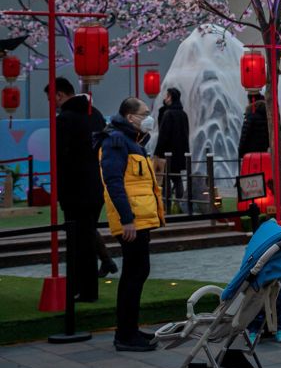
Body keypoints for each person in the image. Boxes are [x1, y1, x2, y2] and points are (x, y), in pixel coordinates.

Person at [98, 97, 165, 352]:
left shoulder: (132, 141)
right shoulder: (116, 142)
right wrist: (127, 219)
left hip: (139, 218)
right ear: (130, 117)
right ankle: (125, 335)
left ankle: (129, 330)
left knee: (138, 272)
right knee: (133, 274)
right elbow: (113, 182)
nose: (148, 118)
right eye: (144, 113)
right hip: (132, 220)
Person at [45, 77, 115, 301]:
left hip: (75, 189)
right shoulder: (93, 114)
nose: (51, 103)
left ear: (60, 95)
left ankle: (80, 290)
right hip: (95, 186)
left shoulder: (65, 120)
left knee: (77, 245)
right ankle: (87, 289)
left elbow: (61, 158)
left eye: (51, 98)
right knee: (86, 239)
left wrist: (60, 191)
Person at [153, 87, 191, 213]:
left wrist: (157, 153)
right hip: (180, 154)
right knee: (177, 178)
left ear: (171, 98)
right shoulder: (183, 114)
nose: (165, 98)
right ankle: (179, 205)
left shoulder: (168, 114)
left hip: (167, 154)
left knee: (165, 179)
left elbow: (163, 136)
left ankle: (166, 206)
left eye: (167, 96)